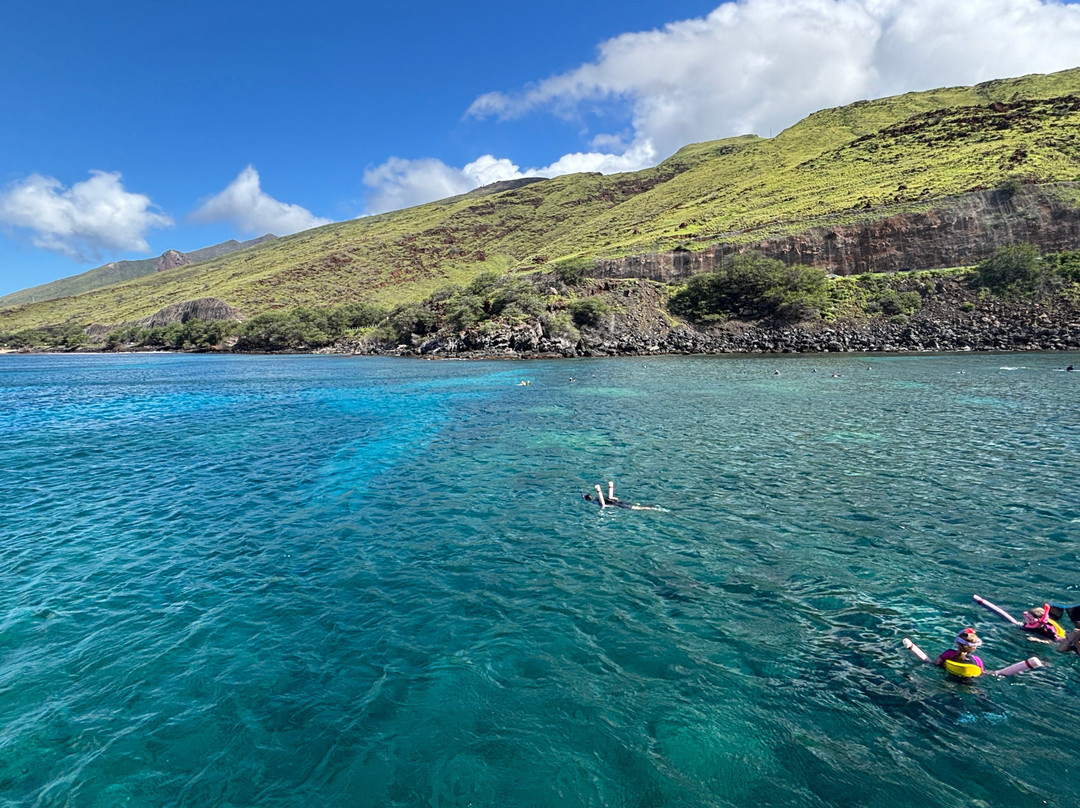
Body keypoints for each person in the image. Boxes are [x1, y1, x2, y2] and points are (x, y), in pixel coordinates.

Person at [582, 481, 663, 511]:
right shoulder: (598, 500)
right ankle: (653, 508)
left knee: (639, 508)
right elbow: (609, 499)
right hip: (618, 503)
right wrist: (610, 487)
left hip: (618, 504)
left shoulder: (596, 501)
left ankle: (655, 509)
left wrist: (599, 490)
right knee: (638, 506)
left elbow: (604, 504)